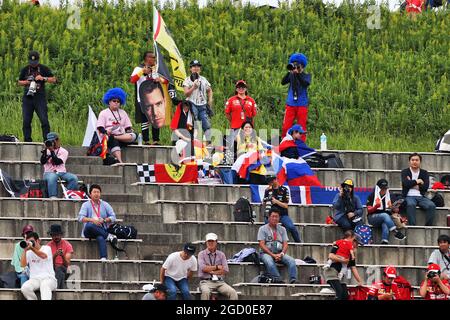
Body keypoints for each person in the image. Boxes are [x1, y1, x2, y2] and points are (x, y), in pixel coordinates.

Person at [130, 51, 169, 145]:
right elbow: (132, 80)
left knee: (156, 118)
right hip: (143, 98)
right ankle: (146, 140)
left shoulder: (156, 69)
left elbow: (167, 80)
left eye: (154, 57)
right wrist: (142, 72)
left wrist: (160, 79)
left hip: (155, 97)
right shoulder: (138, 68)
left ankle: (156, 140)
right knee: (145, 120)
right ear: (146, 58)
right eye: (152, 57)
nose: (154, 59)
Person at [18, 51, 56, 142]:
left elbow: (54, 79)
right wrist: (28, 82)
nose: (33, 64)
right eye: (31, 62)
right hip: (28, 97)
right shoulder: (25, 69)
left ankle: (47, 141)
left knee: (44, 120)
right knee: (26, 121)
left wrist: (43, 78)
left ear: (38, 60)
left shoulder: (43, 68)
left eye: (35, 62)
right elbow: (19, 82)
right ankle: (27, 141)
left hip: (40, 98)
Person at [78, 184, 118, 261]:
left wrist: (104, 220)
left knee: (100, 237)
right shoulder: (86, 205)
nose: (96, 194)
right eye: (94, 192)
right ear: (90, 194)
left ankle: (103, 257)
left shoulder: (105, 204)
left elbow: (113, 217)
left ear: (100, 193)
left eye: (98, 192)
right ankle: (109, 236)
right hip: (89, 230)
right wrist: (92, 220)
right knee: (89, 225)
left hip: (101, 229)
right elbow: (80, 218)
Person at [257, 208, 298, 284]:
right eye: (273, 216)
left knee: (291, 260)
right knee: (269, 262)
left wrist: (281, 254)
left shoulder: (282, 229)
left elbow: (285, 243)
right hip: (266, 253)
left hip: (279, 252)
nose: (275, 218)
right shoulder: (262, 229)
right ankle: (278, 279)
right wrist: (272, 255)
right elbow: (262, 244)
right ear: (269, 217)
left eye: (277, 217)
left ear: (279, 218)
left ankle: (293, 279)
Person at [97, 87, 137, 163]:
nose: (116, 102)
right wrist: (106, 131)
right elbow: (100, 127)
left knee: (134, 135)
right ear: (109, 102)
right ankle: (120, 161)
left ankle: (115, 137)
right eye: (114, 101)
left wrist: (129, 130)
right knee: (112, 140)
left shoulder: (123, 112)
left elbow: (127, 127)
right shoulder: (103, 113)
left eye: (118, 101)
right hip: (108, 136)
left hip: (121, 136)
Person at [323, 230, 364, 300]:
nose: (357, 246)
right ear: (353, 240)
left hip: (340, 275)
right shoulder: (339, 244)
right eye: (357, 243)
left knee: (345, 295)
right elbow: (331, 256)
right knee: (340, 293)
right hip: (331, 272)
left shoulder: (351, 253)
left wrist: (360, 281)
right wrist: (343, 260)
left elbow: (353, 268)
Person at [198, 233, 238, 300]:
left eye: (212, 241)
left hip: (219, 282)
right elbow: (203, 268)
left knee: (233, 293)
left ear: (216, 242)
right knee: (206, 292)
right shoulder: (201, 254)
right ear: (206, 242)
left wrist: (212, 272)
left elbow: (225, 270)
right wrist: (217, 267)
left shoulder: (221, 254)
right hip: (206, 281)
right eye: (209, 241)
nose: (210, 243)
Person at [281, 53, 311, 140]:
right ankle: (285, 142)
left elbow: (305, 83)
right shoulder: (291, 74)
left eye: (297, 65)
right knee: (286, 126)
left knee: (301, 126)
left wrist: (298, 73)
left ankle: (301, 144)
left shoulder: (306, 75)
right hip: (290, 103)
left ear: (302, 66)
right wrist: (289, 72)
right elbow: (283, 82)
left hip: (302, 104)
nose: (296, 67)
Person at [366, 179, 406, 244]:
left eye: (385, 189)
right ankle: (395, 232)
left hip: (386, 217)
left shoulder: (389, 196)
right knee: (384, 215)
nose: (384, 190)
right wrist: (376, 206)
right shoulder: (372, 196)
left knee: (386, 222)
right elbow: (368, 210)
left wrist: (394, 208)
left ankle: (384, 241)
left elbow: (393, 209)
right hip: (373, 217)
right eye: (382, 189)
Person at [263, 175, 301, 243]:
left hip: (282, 214)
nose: (269, 184)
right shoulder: (268, 191)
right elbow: (264, 203)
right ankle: (267, 243)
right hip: (272, 214)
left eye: (271, 182)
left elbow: (286, 206)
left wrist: (276, 201)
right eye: (268, 182)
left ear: (275, 180)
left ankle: (299, 243)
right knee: (266, 226)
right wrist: (266, 201)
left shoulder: (284, 190)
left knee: (291, 227)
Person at [183, 60, 213, 144]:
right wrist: (193, 87)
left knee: (206, 125)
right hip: (192, 104)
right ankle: (192, 141)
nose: (196, 68)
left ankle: (208, 144)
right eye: (194, 66)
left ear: (200, 69)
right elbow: (186, 94)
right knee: (193, 123)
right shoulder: (187, 80)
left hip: (203, 105)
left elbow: (209, 90)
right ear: (190, 69)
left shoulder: (203, 79)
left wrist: (210, 100)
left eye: (198, 66)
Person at [40, 132, 79, 199]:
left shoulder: (64, 151)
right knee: (52, 177)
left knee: (74, 178)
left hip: (62, 172)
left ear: (57, 141)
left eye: (53, 141)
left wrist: (52, 151)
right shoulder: (46, 151)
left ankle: (67, 195)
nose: (51, 143)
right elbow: (42, 162)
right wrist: (45, 153)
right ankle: (53, 196)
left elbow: (57, 162)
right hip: (49, 173)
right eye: (49, 141)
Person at [401, 153, 436, 226]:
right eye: (412, 160)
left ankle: (428, 226)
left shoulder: (424, 173)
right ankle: (413, 226)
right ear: (409, 161)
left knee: (431, 206)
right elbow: (405, 184)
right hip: (408, 196)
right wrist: (418, 181)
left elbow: (425, 187)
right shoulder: (405, 172)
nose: (414, 162)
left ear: (420, 162)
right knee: (411, 205)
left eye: (417, 160)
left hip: (420, 196)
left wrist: (412, 183)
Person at [20, 232, 57, 300]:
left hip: (49, 278)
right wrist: (25, 250)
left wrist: (32, 248)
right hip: (35, 279)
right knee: (25, 288)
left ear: (38, 241)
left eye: (32, 241)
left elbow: (43, 256)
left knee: (44, 285)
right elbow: (23, 265)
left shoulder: (47, 248)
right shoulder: (28, 252)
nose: (30, 243)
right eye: (28, 242)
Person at [46, 224, 73, 289]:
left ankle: (55, 289)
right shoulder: (48, 246)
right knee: (60, 273)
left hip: (64, 269)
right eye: (54, 235)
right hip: (52, 269)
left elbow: (67, 264)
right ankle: (60, 290)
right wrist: (55, 256)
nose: (56, 237)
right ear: (51, 236)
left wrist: (62, 256)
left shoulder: (67, 245)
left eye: (58, 235)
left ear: (61, 235)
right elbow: (47, 264)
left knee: (59, 270)